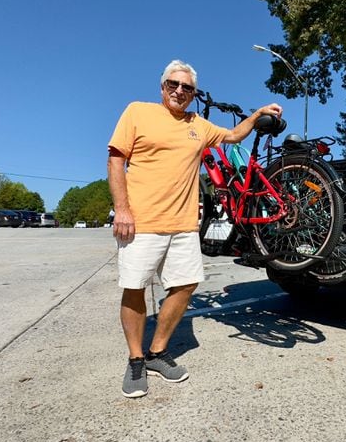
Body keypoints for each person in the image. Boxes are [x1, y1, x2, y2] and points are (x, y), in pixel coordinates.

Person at [107, 60, 282, 398]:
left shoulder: (197, 125)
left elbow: (232, 135)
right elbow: (116, 159)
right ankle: (135, 359)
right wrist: (123, 209)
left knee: (185, 285)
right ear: (162, 87)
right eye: (174, 84)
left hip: (184, 224)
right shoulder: (138, 112)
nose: (180, 91)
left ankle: (157, 351)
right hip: (141, 221)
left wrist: (257, 111)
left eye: (187, 88)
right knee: (134, 288)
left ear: (192, 93)